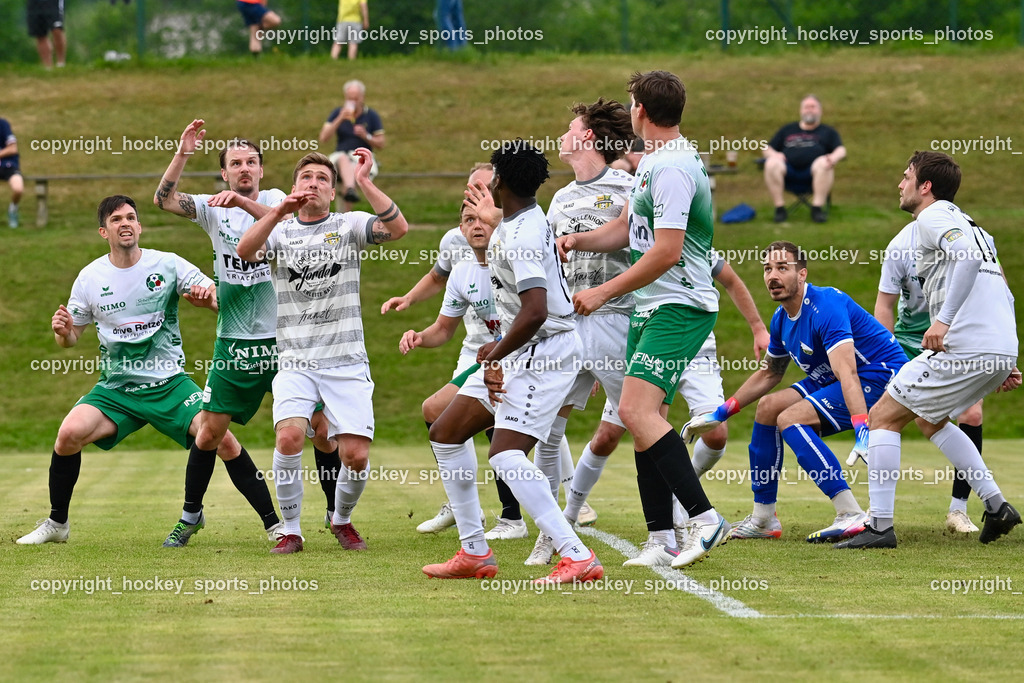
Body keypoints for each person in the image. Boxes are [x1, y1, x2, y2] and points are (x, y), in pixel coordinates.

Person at [559, 70, 729, 570]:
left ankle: (703, 517)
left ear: (641, 111)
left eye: (632, 101)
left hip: (677, 305)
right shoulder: (655, 162)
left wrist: (603, 291)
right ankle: (661, 537)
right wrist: (579, 240)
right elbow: (626, 228)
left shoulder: (673, 167)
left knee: (635, 413)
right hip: (652, 306)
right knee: (643, 420)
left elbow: (666, 251)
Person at [421, 139, 603, 584]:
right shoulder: (522, 217)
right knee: (446, 432)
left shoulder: (519, 235)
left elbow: (536, 310)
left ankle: (576, 554)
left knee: (505, 455)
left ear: (501, 182)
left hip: (547, 351)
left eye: (487, 183)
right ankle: (474, 552)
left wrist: (495, 352)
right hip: (523, 348)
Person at [17, 195, 232, 545]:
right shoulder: (90, 277)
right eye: (116, 219)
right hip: (116, 389)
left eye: (131, 217)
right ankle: (58, 525)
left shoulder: (167, 264)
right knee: (68, 434)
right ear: (105, 231)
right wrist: (63, 331)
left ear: (140, 225)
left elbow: (216, 295)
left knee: (223, 439)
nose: (126, 223)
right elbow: (71, 339)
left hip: (168, 384)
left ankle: (275, 524)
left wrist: (209, 297)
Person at [837, 151, 1021, 550]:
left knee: (883, 417)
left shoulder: (932, 217)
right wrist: (1006, 357)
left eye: (905, 177)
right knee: (929, 420)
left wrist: (943, 321)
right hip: (997, 346)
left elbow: (967, 261)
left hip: (966, 344)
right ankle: (996, 506)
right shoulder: (976, 228)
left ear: (925, 187)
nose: (899, 184)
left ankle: (880, 528)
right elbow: (1002, 288)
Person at [236, 150, 409, 554]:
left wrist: (363, 182)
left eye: (321, 179)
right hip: (296, 360)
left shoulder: (347, 225)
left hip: (346, 360)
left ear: (332, 192)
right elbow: (246, 251)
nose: (312, 183)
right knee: (290, 438)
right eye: (305, 178)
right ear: (295, 188)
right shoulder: (278, 230)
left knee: (355, 456)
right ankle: (291, 530)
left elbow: (398, 228)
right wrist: (278, 212)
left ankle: (341, 519)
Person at [154, 121, 314, 546]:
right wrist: (184, 152)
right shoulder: (211, 206)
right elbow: (163, 200)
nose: (244, 168)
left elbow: (297, 226)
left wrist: (246, 204)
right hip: (235, 342)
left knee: (324, 429)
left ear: (262, 169)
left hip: (286, 341)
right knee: (209, 432)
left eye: (251, 162)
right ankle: (191, 516)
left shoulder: (281, 201)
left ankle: (337, 520)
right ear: (223, 173)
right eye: (235, 164)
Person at [685, 240, 907, 544]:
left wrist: (861, 428)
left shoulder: (825, 305)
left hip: (880, 376)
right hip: (833, 377)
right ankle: (763, 518)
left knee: (791, 418)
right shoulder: (780, 319)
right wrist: (718, 414)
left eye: (782, 268)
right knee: (768, 407)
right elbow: (770, 373)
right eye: (767, 269)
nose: (772, 276)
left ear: (802, 274)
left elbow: (848, 371)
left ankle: (849, 512)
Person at [382, 163, 531, 540]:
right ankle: (471, 506)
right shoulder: (461, 264)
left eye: (483, 196)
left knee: (522, 432)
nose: (475, 220)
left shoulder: (518, 247)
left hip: (528, 353)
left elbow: (545, 308)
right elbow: (442, 326)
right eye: (467, 217)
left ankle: (539, 514)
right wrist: (418, 333)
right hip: (480, 355)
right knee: (442, 415)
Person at [874, 219, 986, 533]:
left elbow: (996, 292)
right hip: (910, 342)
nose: (900, 186)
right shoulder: (900, 245)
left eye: (906, 179)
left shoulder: (967, 239)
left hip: (956, 341)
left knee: (972, 415)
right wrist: (886, 355)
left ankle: (958, 510)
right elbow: (885, 304)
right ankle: (877, 513)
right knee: (890, 417)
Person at [763, 95, 845, 223]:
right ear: (801, 110)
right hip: (787, 172)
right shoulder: (788, 129)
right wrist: (774, 155)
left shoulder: (828, 132)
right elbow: (766, 148)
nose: (809, 110)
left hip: (814, 174)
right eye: (806, 107)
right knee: (771, 163)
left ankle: (817, 209)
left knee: (825, 163)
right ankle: (780, 209)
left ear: (820, 111)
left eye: (813, 107)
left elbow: (841, 150)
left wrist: (833, 157)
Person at [318, 80, 385, 211]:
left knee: (353, 167)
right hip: (340, 157)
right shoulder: (338, 113)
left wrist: (366, 136)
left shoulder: (371, 115)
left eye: (356, 98)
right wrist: (340, 119)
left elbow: (381, 143)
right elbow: (323, 137)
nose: (353, 102)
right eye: (350, 99)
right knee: (343, 159)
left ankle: (347, 203)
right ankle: (350, 193)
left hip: (359, 157)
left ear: (362, 97)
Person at [27, 0, 66, 68]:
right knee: (40, 35)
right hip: (34, 3)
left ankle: (61, 64)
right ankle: (47, 67)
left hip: (53, 3)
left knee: (57, 28)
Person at [1, 117, 23, 228]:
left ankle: (13, 211)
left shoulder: (3, 124)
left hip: (7, 165)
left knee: (18, 188)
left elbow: (13, 149)